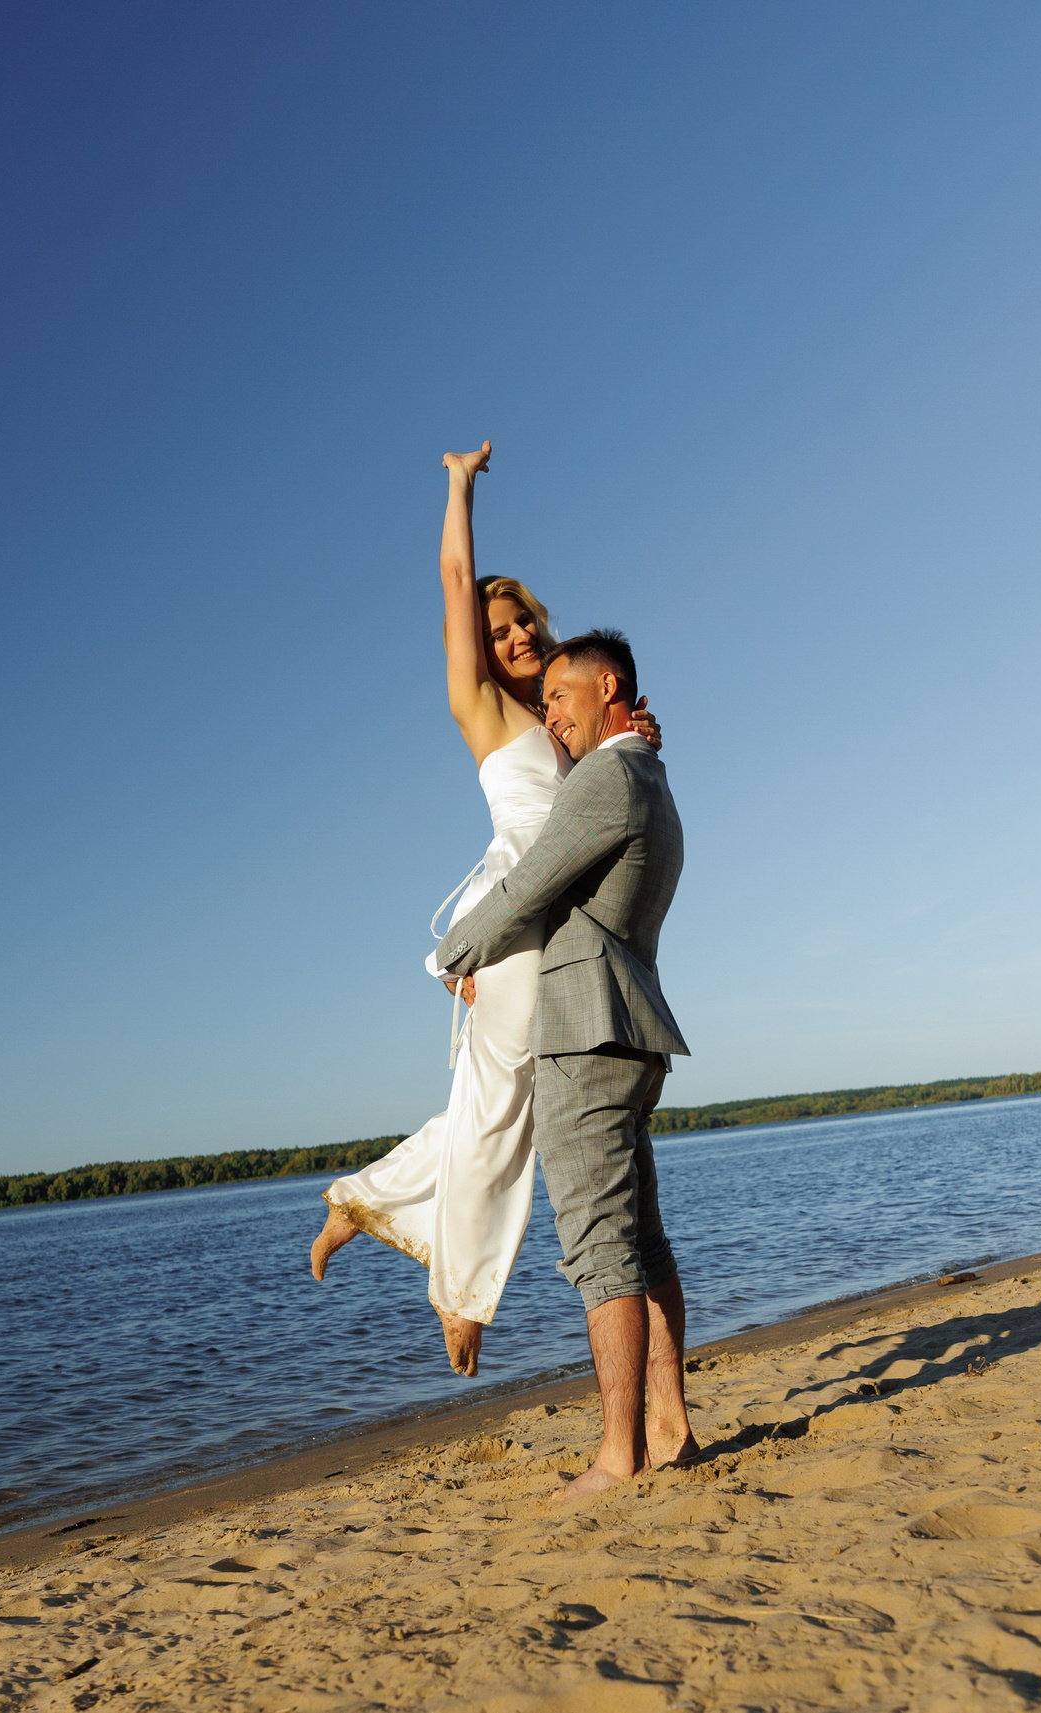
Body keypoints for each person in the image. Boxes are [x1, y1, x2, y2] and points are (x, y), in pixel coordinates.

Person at [309, 443, 656, 1377]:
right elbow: (457, 577)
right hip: (510, 926)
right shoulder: (483, 713)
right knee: (506, 1111)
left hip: (546, 926)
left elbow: (610, 777)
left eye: (523, 625)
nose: (513, 640)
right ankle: (460, 1298)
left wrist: (641, 730)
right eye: (497, 629)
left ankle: (361, 1200)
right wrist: (460, 483)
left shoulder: (560, 718)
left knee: (490, 1103)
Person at [436, 628, 694, 1495]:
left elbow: (527, 885)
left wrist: (453, 954)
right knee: (643, 1242)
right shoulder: (651, 776)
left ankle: (619, 1455)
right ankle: (670, 1429)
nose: (550, 715)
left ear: (609, 689)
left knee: (600, 1249)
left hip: (586, 1033)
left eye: (560, 696)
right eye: (541, 699)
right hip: (630, 1024)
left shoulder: (609, 777)